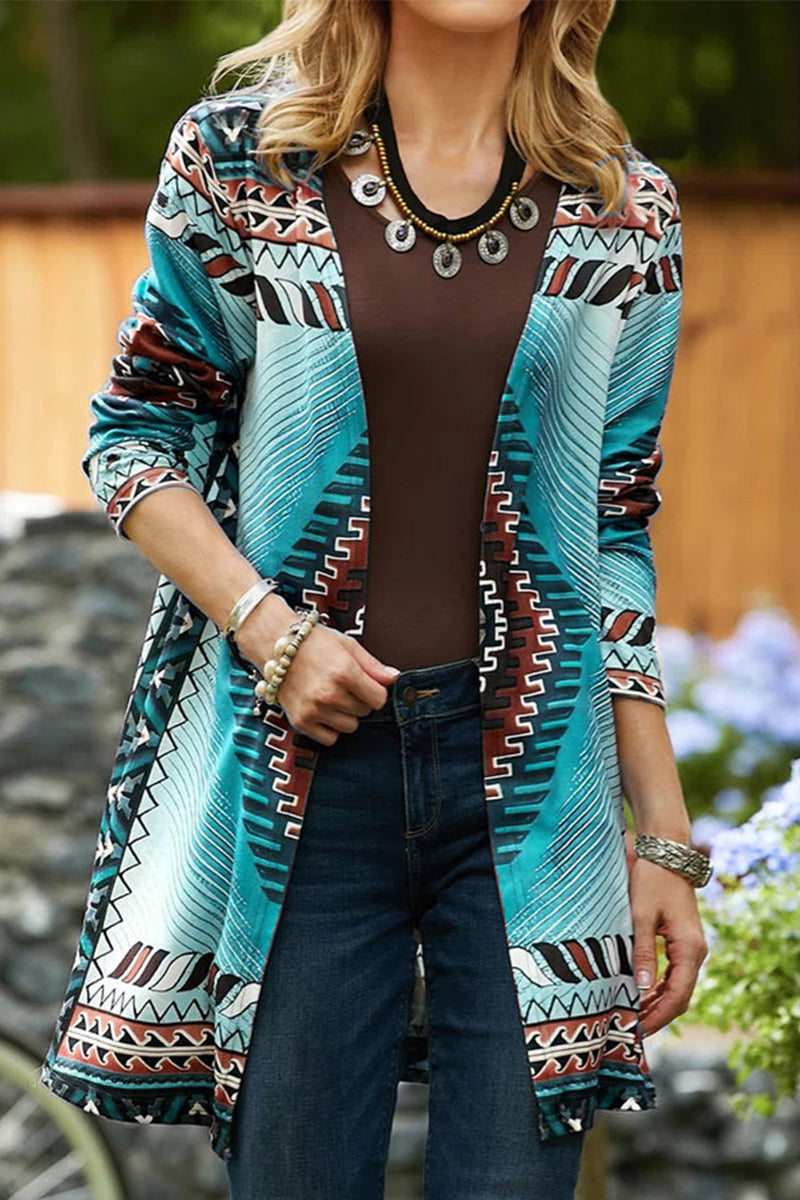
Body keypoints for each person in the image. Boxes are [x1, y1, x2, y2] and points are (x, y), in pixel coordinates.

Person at [39, 2, 712, 1198]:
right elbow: (135, 439)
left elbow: (613, 525)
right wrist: (271, 630)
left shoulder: (624, 208)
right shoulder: (244, 162)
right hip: (301, 781)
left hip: (539, 802)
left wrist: (659, 834)